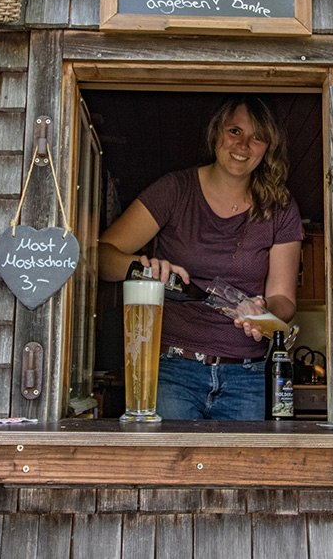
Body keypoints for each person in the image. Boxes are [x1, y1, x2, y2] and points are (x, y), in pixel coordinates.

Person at [98, 95, 304, 420]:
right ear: (216, 132)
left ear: (269, 148)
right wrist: (143, 268)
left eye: (258, 137)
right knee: (166, 469)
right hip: (171, 369)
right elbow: (100, 257)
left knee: (240, 470)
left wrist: (264, 311)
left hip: (246, 376)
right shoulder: (175, 190)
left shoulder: (280, 208)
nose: (244, 145)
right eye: (235, 131)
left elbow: (284, 300)